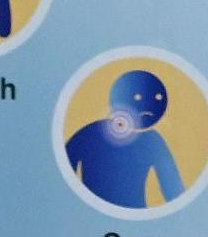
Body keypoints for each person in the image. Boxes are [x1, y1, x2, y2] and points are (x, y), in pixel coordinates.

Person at [65, 68, 187, 209]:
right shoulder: (90, 134)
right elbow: (175, 193)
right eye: (137, 97)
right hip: (107, 219)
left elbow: (174, 192)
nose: (148, 105)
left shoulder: (152, 140)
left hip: (103, 219)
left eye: (158, 98)